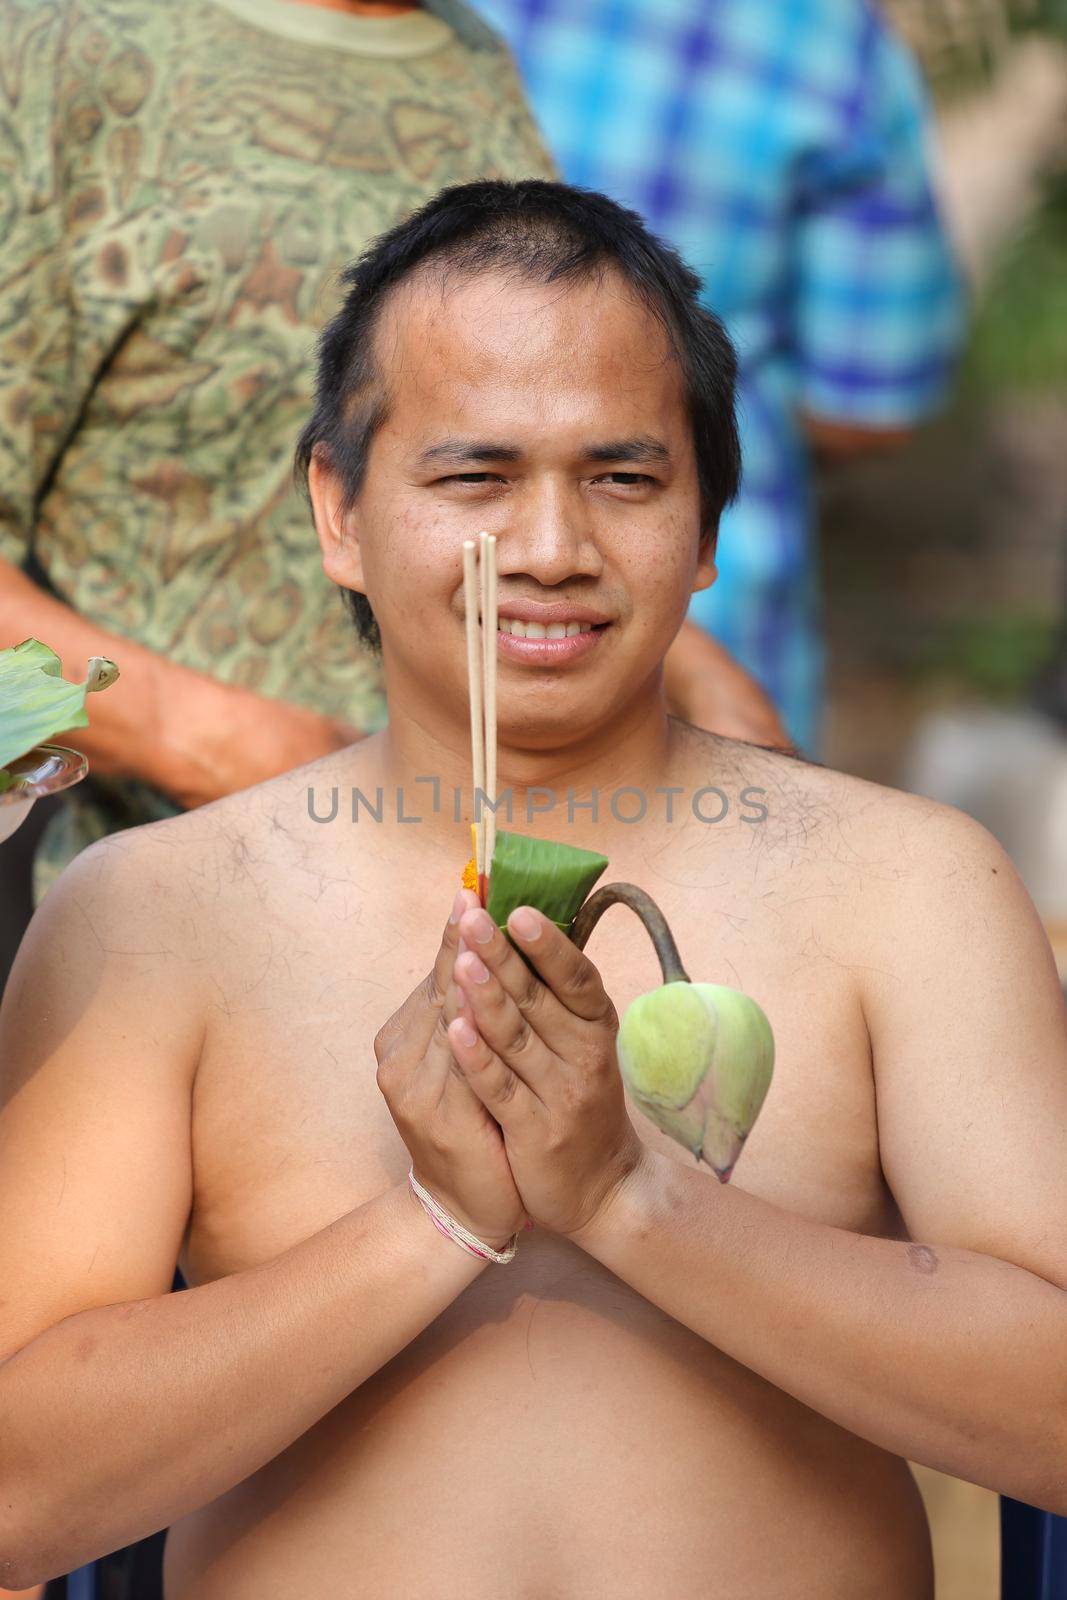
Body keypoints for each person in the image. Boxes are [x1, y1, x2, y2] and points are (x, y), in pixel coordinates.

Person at [2, 179, 1063, 1598]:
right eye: (474, 478)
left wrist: (633, 1197)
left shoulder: (904, 886)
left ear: (703, 527)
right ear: (338, 508)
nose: (553, 547)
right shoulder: (157, 912)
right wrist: (432, 1221)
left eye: (622, 478)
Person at [0, 0, 784, 932]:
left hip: (487, 889)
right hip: (180, 904)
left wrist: (699, 675)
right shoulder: (56, 48)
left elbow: (526, 458)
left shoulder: (465, 55)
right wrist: (227, 746)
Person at [472, 0, 966, 754]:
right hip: (710, 642)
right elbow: (864, 404)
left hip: (390, 658)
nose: (550, 550)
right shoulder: (821, 35)